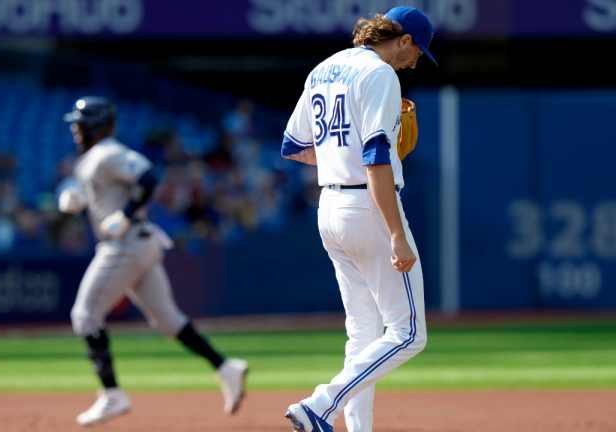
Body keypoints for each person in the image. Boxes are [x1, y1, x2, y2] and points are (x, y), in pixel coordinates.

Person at [279, 6, 436, 432]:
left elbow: (293, 146)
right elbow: (376, 158)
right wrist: (396, 235)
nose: (416, 60)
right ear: (403, 40)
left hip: (329, 208)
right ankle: (320, 403)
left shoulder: (323, 69)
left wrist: (340, 160)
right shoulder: (382, 74)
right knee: (408, 333)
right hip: (367, 207)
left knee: (363, 332)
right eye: (418, 50)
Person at [58, 96, 249, 427]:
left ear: (95, 125)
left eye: (80, 122)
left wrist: (125, 215)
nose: (75, 128)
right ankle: (225, 367)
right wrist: (80, 200)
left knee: (85, 315)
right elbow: (109, 189)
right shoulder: (91, 158)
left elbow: (147, 177)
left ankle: (112, 394)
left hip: (125, 245)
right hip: (140, 242)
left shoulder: (108, 152)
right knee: (168, 321)